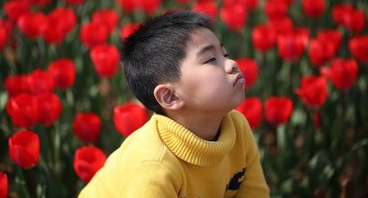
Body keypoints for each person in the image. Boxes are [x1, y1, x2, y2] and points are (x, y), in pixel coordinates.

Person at [78, 10, 270, 198]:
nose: (232, 63)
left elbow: (255, 193)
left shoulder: (237, 127)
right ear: (170, 97)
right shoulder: (153, 171)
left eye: (225, 54)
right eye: (211, 59)